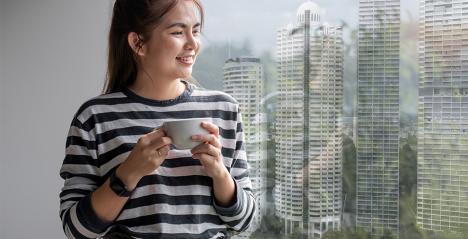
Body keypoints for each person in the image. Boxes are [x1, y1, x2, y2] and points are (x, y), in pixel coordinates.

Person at [59, 0, 255, 238]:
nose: (193, 43)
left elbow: (245, 222)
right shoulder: (94, 118)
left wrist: (219, 173)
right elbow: (76, 230)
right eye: (178, 32)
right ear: (138, 43)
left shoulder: (224, 109)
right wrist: (129, 173)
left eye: (195, 31)